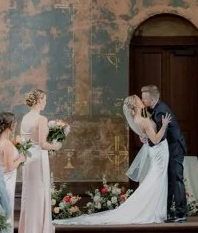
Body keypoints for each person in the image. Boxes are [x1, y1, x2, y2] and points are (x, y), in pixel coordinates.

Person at [56, 95, 170, 226]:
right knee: (155, 180)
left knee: (155, 179)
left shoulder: (138, 119)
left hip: (156, 152)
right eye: (139, 100)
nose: (142, 100)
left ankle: (154, 209)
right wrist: (164, 125)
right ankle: (152, 210)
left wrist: (145, 137)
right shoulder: (143, 121)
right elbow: (155, 140)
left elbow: (145, 136)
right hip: (158, 151)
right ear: (135, 104)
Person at [18, 89, 62, 233]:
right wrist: (56, 146)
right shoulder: (41, 119)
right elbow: (43, 144)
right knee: (39, 194)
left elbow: (24, 141)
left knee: (30, 194)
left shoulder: (24, 118)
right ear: (38, 101)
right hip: (38, 159)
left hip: (28, 158)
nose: (45, 102)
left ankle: (29, 232)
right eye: (44, 99)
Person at [141, 86, 187, 222]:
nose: (143, 100)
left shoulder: (161, 111)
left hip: (175, 149)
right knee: (170, 180)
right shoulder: (157, 108)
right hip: (170, 149)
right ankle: (167, 211)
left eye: (145, 98)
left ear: (153, 99)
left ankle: (181, 214)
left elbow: (160, 137)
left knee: (176, 179)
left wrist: (149, 139)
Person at [0, 112, 21, 233]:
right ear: (10, 124)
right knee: (7, 212)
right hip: (7, 181)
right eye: (14, 122)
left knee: (3, 211)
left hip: (1, 179)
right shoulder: (7, 144)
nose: (15, 124)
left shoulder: (2, 141)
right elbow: (9, 167)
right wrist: (21, 158)